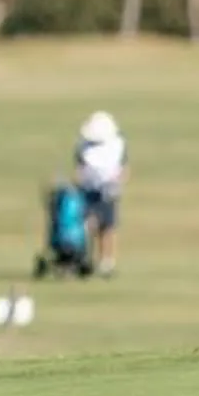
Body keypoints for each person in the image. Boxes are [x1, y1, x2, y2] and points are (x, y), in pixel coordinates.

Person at [74, 110, 127, 275]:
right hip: (88, 190)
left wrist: (116, 185)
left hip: (109, 191)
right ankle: (86, 257)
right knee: (89, 225)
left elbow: (124, 169)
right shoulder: (83, 146)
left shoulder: (117, 146)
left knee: (108, 227)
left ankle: (107, 261)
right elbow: (79, 167)